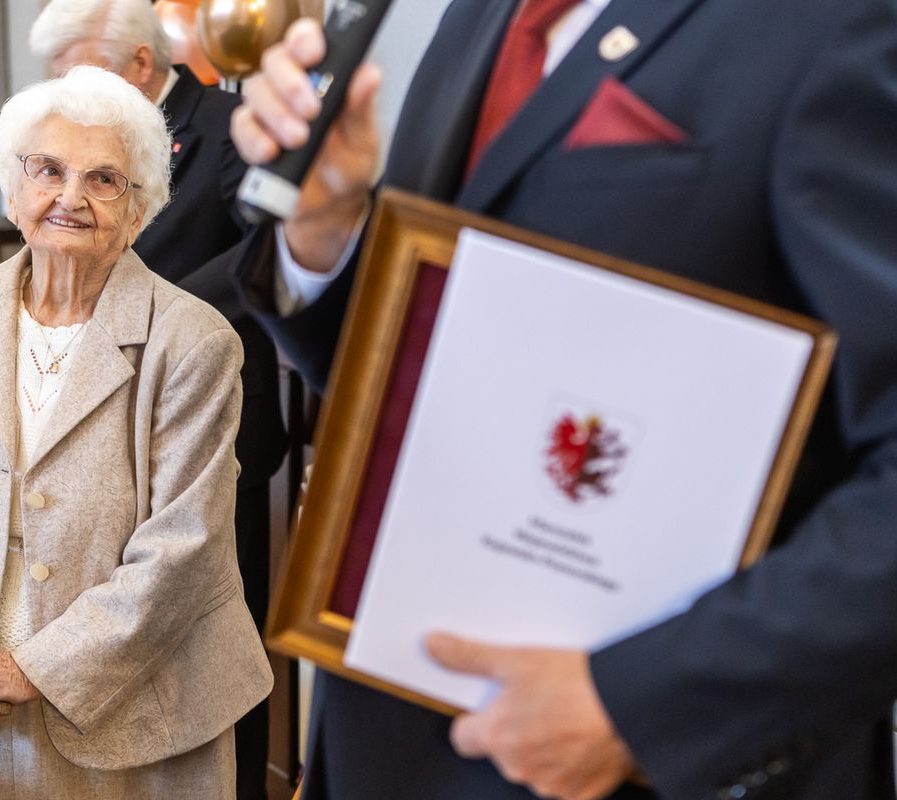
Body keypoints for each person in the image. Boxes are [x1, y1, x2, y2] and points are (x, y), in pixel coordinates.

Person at [225, 1, 897, 798]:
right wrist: (327, 233)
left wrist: (639, 709)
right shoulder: (477, 17)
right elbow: (422, 383)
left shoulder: (842, 24)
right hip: (384, 745)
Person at [0, 66, 273, 799]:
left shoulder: (193, 341)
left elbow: (184, 550)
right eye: (48, 170)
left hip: (146, 710)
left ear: (140, 209)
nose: (70, 197)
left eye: (104, 180)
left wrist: (29, 668)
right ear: (12, 186)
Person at [29, 3, 287, 796]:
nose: (65, 96)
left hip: (211, 424)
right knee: (115, 628)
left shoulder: (229, 125)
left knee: (206, 630)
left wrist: (154, 307)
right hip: (100, 435)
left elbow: (269, 250)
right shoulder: (83, 149)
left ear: (139, 64)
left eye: (77, 73)